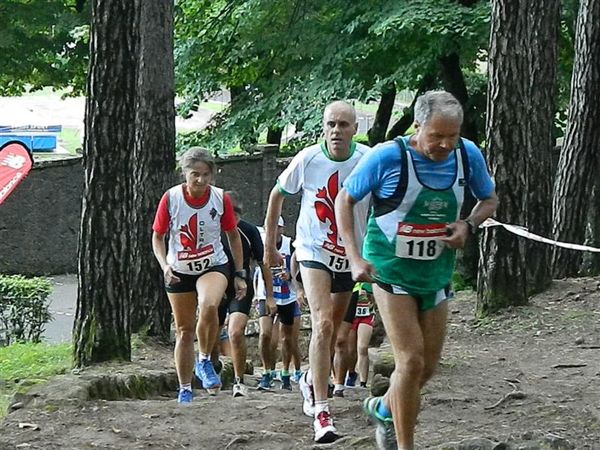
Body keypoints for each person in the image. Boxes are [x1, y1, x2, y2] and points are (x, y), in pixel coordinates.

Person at [335, 90, 498, 449]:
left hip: (436, 272)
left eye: (451, 137)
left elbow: (489, 199)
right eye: (435, 135)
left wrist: (468, 225)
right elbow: (344, 199)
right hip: (389, 270)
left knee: (427, 368)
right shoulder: (387, 157)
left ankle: (382, 406)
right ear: (417, 125)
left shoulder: (468, 156)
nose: (443, 145)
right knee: (409, 361)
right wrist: (353, 256)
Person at [263, 101, 371, 443]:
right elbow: (277, 195)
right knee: (323, 323)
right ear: (323, 128)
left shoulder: (367, 160)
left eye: (343, 125)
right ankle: (323, 413)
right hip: (313, 250)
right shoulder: (308, 158)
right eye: (331, 125)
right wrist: (269, 246)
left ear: (355, 129)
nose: (336, 131)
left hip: (351, 254)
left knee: (336, 330)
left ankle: (311, 378)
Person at [152, 147, 247, 403]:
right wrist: (164, 265)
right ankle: (184, 388)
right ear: (185, 174)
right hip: (180, 269)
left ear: (213, 175)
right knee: (184, 331)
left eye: (206, 175)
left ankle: (204, 359)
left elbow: (233, 235)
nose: (200, 181)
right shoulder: (171, 198)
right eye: (195, 174)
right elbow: (158, 236)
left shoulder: (219, 198)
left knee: (209, 304)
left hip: (212, 265)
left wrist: (239, 273)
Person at [218, 191, 274, 398]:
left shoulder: (249, 231)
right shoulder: (212, 228)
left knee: (235, 331)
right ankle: (214, 368)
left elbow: (263, 263)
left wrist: (270, 296)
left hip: (241, 286)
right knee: (210, 334)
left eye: (237, 214)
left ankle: (239, 380)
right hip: (216, 285)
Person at [255, 217, 301, 391]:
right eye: (270, 228)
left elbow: (300, 267)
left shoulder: (290, 244)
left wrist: (289, 276)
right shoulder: (261, 243)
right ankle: (267, 372)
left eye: (277, 228)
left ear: (282, 229)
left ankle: (286, 372)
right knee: (265, 335)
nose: (273, 232)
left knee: (287, 338)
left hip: (287, 296)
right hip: (265, 294)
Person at [345, 283, 375, 389]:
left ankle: (363, 382)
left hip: (367, 315)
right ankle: (351, 373)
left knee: (362, 347)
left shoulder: (371, 277)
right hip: (351, 316)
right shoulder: (350, 277)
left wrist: (370, 296)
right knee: (350, 350)